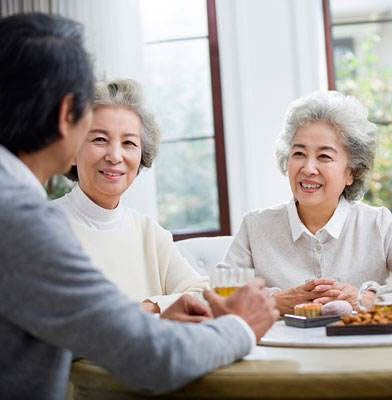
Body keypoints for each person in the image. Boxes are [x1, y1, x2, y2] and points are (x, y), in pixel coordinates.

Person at [0, 12, 278, 400]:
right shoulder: (22, 218)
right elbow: (152, 357)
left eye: (128, 143)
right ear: (68, 115)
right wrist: (242, 327)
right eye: (95, 132)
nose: (114, 155)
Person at [223, 91, 392, 314]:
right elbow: (215, 299)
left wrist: (370, 299)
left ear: (351, 173)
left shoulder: (377, 224)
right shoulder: (255, 227)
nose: (308, 168)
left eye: (324, 156)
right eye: (298, 154)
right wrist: (277, 302)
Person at [55, 78, 208, 313]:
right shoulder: (45, 225)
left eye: (129, 143)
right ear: (73, 151)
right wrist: (150, 312)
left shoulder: (148, 232)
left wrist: (148, 307)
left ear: (140, 159)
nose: (115, 156)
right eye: (99, 139)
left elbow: (201, 292)